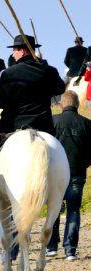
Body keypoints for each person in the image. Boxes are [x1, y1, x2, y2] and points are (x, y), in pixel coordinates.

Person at [0, 35, 66, 213]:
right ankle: (59, 196)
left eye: (15, 50)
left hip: (12, 125)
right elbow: (60, 89)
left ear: (22, 50)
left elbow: (0, 102)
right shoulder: (47, 70)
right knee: (60, 153)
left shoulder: (8, 73)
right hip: (44, 125)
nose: (13, 54)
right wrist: (44, 69)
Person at [45, 91, 91, 261]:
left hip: (55, 174)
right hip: (77, 172)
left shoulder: (52, 122)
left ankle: (51, 247)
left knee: (54, 209)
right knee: (73, 211)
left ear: (62, 104)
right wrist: (83, 164)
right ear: (77, 104)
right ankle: (70, 250)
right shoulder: (87, 124)